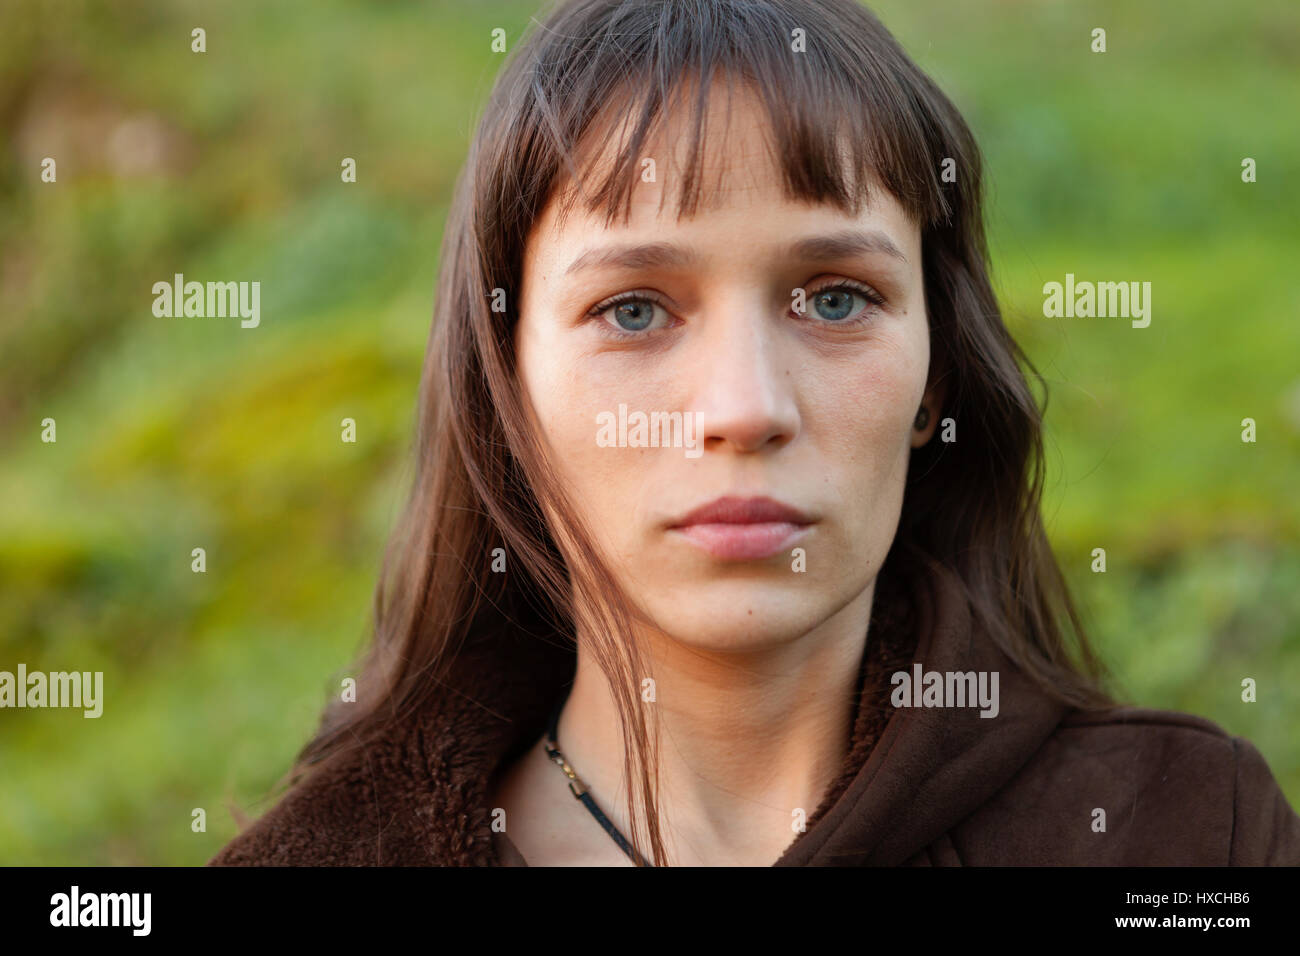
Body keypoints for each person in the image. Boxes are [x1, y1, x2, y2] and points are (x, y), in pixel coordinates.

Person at [208, 0, 1300, 867]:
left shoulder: (1184, 832)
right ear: (508, 388)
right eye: (633, 308)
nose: (744, 407)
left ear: (934, 380)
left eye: (833, 298)